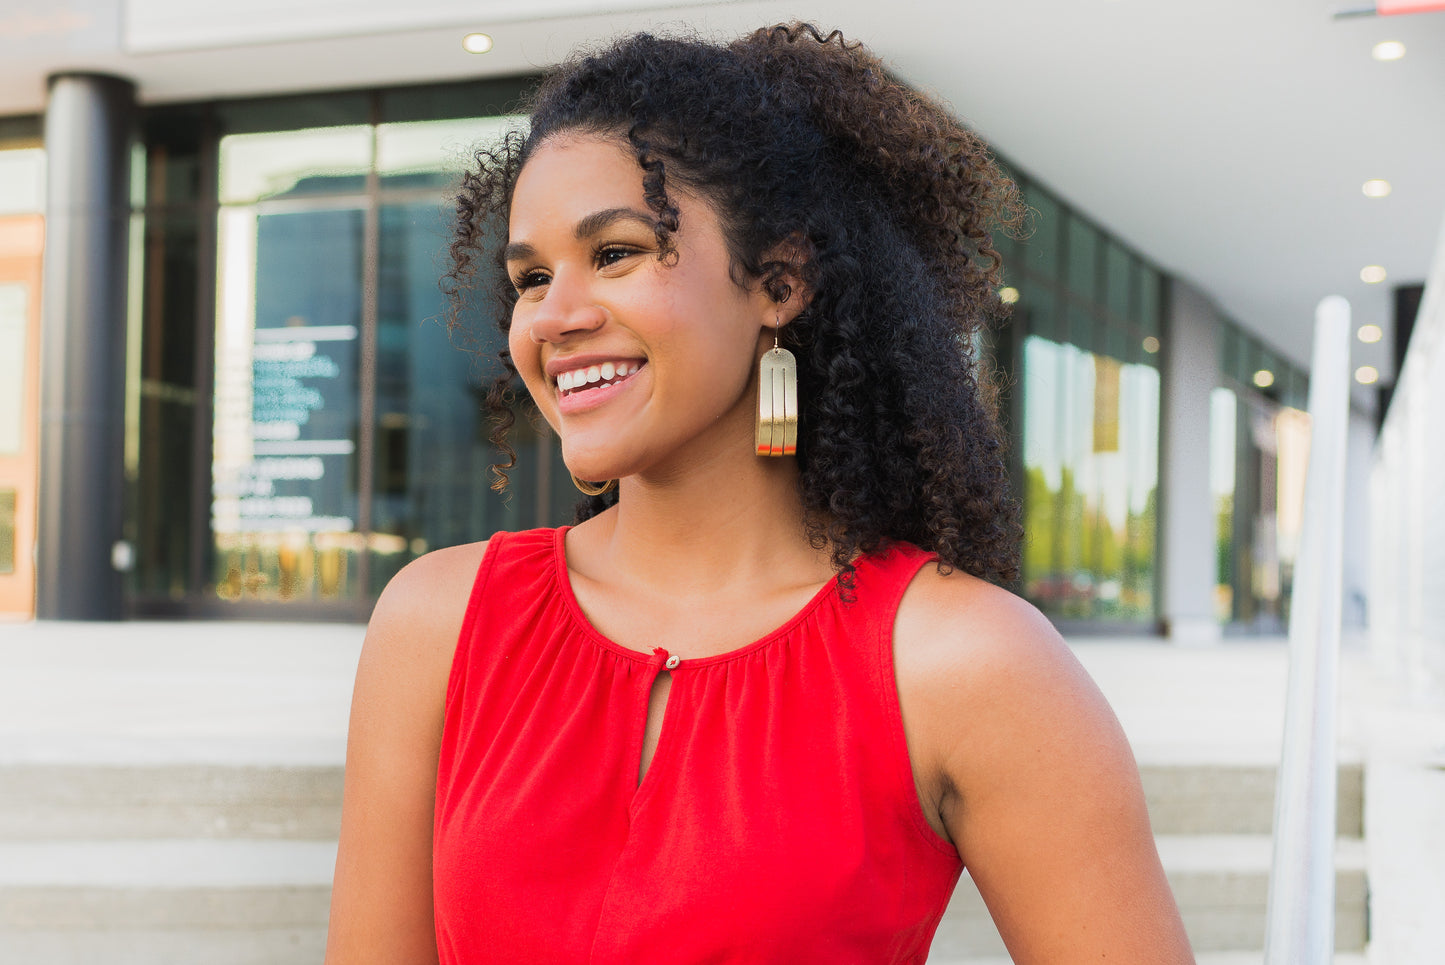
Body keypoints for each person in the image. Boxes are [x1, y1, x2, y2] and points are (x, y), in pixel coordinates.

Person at [324, 22, 1195, 965]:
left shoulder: (963, 663)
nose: (556, 317)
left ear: (778, 281)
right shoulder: (440, 624)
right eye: (531, 276)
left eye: (614, 252)